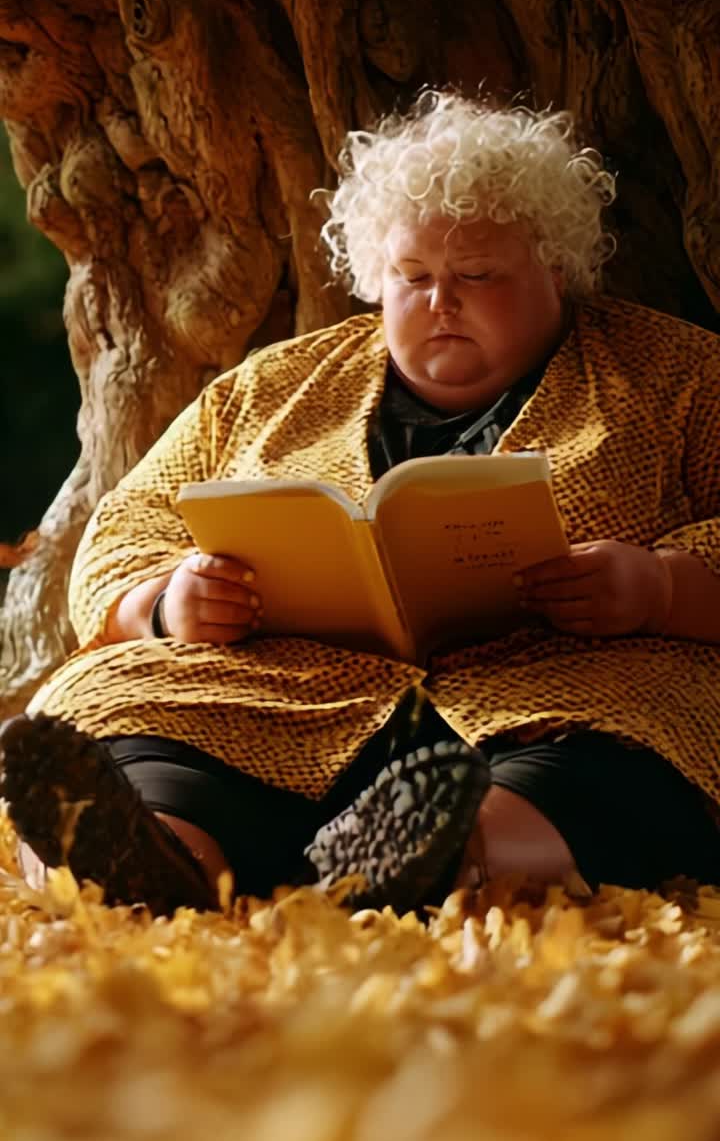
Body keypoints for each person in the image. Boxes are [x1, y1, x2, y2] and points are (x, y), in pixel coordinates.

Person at [3, 89, 720, 916]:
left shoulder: (676, 376)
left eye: (477, 276)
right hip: (275, 701)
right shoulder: (271, 388)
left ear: (554, 265)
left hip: (561, 698)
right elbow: (130, 523)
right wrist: (165, 603)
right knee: (114, 713)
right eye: (412, 278)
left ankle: (443, 853)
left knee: (627, 757)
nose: (440, 302)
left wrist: (661, 586)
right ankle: (155, 859)